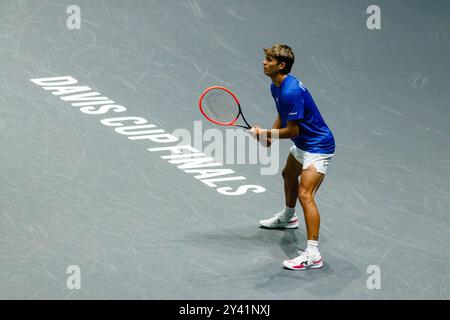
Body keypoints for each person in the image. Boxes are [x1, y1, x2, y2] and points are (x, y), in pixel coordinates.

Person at [248, 44, 335, 271]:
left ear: (281, 65)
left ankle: (313, 254)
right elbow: (282, 114)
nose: (264, 62)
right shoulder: (276, 87)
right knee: (288, 175)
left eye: (269, 59)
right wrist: (270, 136)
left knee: (306, 194)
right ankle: (288, 217)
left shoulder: (291, 91)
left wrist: (264, 133)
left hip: (318, 146)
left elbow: (293, 131)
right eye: (265, 58)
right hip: (303, 144)